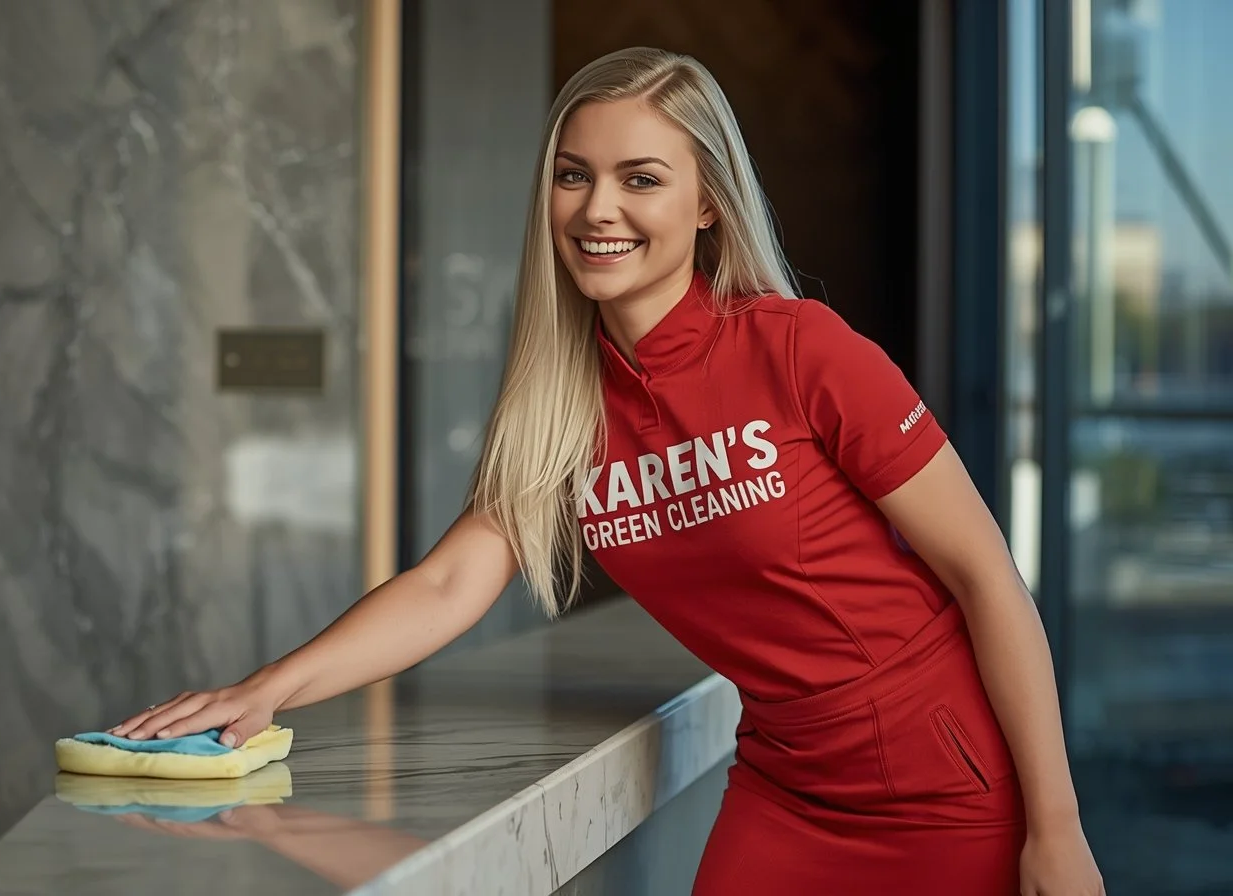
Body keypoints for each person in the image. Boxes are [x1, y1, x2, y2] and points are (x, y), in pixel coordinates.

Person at [110, 47, 1104, 895]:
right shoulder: (560, 403)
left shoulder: (801, 349)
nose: (598, 208)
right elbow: (450, 580)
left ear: (707, 201)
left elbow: (985, 578)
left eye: (641, 178)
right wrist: (267, 689)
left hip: (942, 784)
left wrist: (1055, 826)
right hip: (784, 787)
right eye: (573, 174)